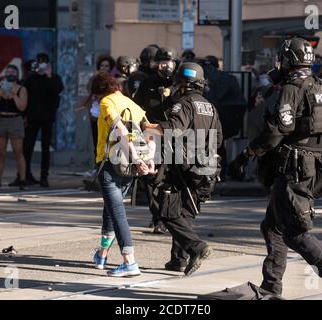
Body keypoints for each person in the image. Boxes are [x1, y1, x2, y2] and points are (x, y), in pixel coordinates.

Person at [234, 37, 322, 300]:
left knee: (296, 232)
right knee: (272, 226)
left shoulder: (292, 88)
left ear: (287, 60)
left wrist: (248, 153)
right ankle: (271, 287)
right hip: (311, 167)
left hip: (292, 169)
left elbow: (277, 131)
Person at [145, 62, 223, 275]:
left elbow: (173, 128)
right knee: (185, 214)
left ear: (182, 84)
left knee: (168, 213)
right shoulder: (210, 107)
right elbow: (219, 140)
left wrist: (149, 127)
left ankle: (197, 247)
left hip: (184, 167)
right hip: (206, 171)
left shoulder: (185, 104)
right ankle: (178, 260)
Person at [91, 72, 156, 277]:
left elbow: (119, 131)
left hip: (110, 164)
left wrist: (137, 158)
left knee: (116, 212)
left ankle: (129, 262)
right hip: (128, 168)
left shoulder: (106, 103)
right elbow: (150, 134)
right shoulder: (132, 104)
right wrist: (148, 159)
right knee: (110, 210)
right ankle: (101, 255)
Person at [134, 47, 178, 234]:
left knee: (171, 178)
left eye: (168, 62)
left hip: (175, 135)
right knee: (150, 177)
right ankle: (157, 217)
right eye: (161, 62)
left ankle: (171, 216)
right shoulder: (147, 83)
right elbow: (137, 108)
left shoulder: (180, 83)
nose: (165, 66)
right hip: (151, 135)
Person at [22, 53, 64, 188]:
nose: (42, 64)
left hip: (47, 117)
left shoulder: (54, 78)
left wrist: (49, 75)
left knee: (46, 148)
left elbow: (57, 90)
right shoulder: (31, 78)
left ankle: (44, 177)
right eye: (40, 62)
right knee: (27, 147)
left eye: (44, 62)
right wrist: (24, 115)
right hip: (32, 116)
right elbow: (24, 93)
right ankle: (25, 175)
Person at [0, 65, 28, 191]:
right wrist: (0, 92)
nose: (10, 74)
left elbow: (22, 107)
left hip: (15, 120)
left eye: (12, 72)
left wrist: (13, 94)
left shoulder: (22, 89)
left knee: (18, 152)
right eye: (8, 72)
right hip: (2, 120)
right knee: (0, 153)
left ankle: (22, 180)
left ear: (17, 74)